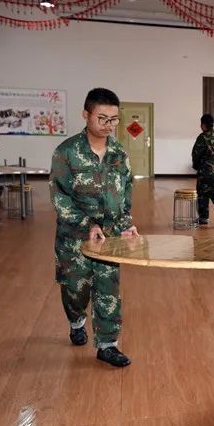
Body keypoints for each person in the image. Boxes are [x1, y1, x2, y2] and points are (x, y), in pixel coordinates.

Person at [49, 88, 138, 368]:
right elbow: (60, 198)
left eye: (114, 119)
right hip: (74, 238)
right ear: (85, 115)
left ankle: (107, 345)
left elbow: (125, 193)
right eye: (102, 118)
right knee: (75, 290)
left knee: (107, 289)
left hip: (108, 239)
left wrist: (125, 225)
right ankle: (76, 321)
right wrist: (87, 224)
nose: (109, 125)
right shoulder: (67, 152)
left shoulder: (119, 153)